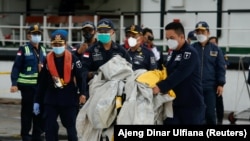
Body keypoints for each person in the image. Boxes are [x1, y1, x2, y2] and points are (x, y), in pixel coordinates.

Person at [33, 30, 86, 141]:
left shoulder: (73, 59)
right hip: (51, 98)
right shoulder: (47, 60)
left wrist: (82, 93)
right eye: (55, 44)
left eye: (60, 44)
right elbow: (41, 82)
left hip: (69, 98)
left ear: (65, 44)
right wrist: (37, 101)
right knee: (50, 127)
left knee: (71, 127)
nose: (57, 47)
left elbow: (81, 78)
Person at [152, 21, 205, 125]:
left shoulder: (190, 53)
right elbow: (166, 71)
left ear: (181, 37)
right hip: (174, 104)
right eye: (167, 39)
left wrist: (160, 87)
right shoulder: (172, 53)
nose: (169, 41)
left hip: (191, 106)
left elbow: (180, 73)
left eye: (172, 38)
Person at [10, 24, 46, 141]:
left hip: (40, 87)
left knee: (38, 112)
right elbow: (16, 67)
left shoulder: (43, 49)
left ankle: (37, 135)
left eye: (38, 34)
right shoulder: (23, 49)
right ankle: (25, 135)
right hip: (27, 87)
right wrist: (14, 83)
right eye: (34, 34)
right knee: (27, 112)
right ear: (29, 36)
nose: (37, 36)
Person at [192, 21, 226, 125]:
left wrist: (221, 84)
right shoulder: (191, 48)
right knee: (195, 114)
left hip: (210, 88)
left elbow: (220, 67)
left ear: (208, 32)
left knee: (210, 114)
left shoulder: (216, 49)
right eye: (198, 32)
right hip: (194, 87)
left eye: (202, 31)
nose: (200, 34)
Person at [208, 36, 229, 125]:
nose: (212, 44)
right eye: (211, 42)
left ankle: (220, 120)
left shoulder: (220, 52)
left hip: (217, 82)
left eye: (214, 42)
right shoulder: (206, 52)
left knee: (218, 101)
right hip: (208, 81)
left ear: (217, 43)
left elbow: (225, 65)